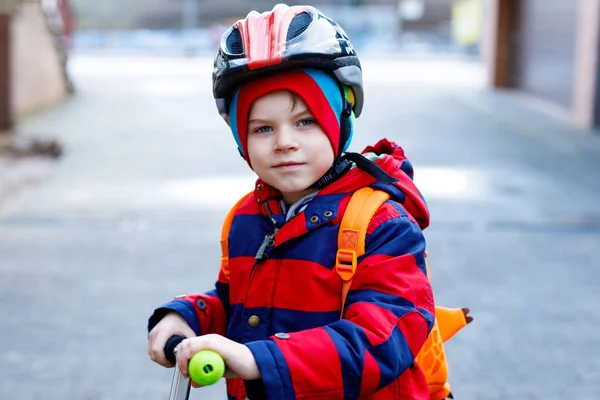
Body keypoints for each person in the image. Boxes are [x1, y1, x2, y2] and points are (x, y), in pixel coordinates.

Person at [148, 4, 435, 399]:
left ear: (339, 120)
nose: (284, 141)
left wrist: (259, 362)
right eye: (263, 127)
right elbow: (242, 308)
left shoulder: (380, 225)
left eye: (305, 121)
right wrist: (189, 318)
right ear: (240, 141)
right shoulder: (247, 217)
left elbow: (381, 340)